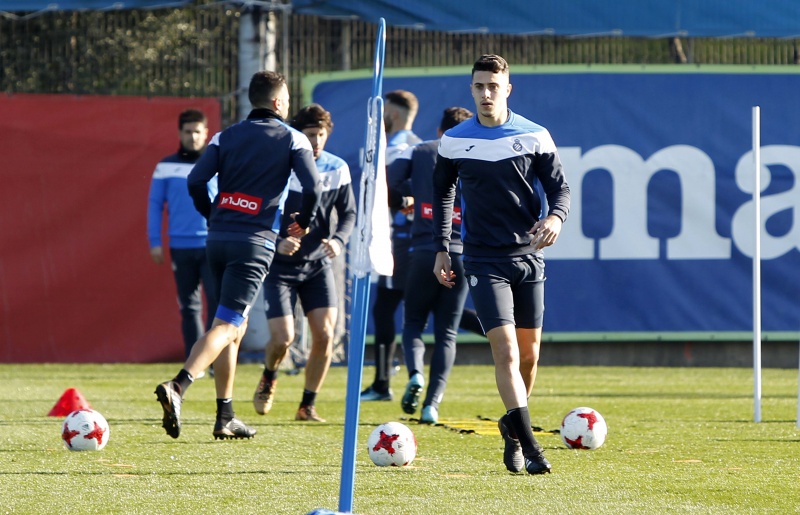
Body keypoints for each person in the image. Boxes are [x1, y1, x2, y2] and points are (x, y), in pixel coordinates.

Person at [154, 70, 322, 440]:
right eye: (287, 98)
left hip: (217, 238)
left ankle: (225, 416)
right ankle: (179, 385)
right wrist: (305, 222)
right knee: (228, 325)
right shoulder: (293, 138)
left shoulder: (224, 136)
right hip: (254, 242)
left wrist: (212, 214)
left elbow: (196, 181)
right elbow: (313, 187)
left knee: (232, 324)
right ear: (278, 102)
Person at [432, 54, 570, 475]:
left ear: (507, 89)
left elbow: (560, 190)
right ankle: (532, 448)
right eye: (479, 86)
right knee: (506, 352)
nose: (486, 93)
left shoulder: (535, 135)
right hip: (481, 258)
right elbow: (443, 194)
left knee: (529, 358)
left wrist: (555, 218)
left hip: (528, 257)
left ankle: (511, 428)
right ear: (471, 90)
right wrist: (442, 247)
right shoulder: (454, 140)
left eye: (494, 86)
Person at [252, 104, 356, 422]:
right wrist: (276, 242)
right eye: (310, 135)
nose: (316, 141)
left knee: (325, 335)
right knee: (283, 338)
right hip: (280, 267)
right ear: (298, 136)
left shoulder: (337, 168)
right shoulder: (280, 168)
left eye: (321, 134)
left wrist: (338, 240)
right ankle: (269, 375)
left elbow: (349, 213)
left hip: (317, 266)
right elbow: (258, 213)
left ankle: (307, 405)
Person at [387, 106, 474, 425]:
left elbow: (389, 182)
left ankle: (415, 374)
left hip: (424, 251)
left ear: (439, 131)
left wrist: (403, 201)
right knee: (447, 334)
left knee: (413, 323)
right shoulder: (478, 152)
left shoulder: (421, 150)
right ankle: (432, 405)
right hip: (461, 254)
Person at [360, 90, 422, 402]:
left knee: (384, 309)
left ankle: (382, 384)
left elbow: (389, 193)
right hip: (417, 241)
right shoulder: (420, 144)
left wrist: (402, 201)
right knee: (432, 309)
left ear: (392, 114)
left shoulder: (394, 149)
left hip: (398, 241)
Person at [147, 109, 218, 367]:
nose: (193, 136)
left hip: (213, 245)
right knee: (189, 308)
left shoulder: (217, 165)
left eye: (197, 131)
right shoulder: (165, 167)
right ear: (179, 133)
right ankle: (194, 363)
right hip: (180, 246)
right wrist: (155, 242)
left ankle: (214, 362)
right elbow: (155, 205)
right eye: (188, 131)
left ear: (206, 133)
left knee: (217, 305)